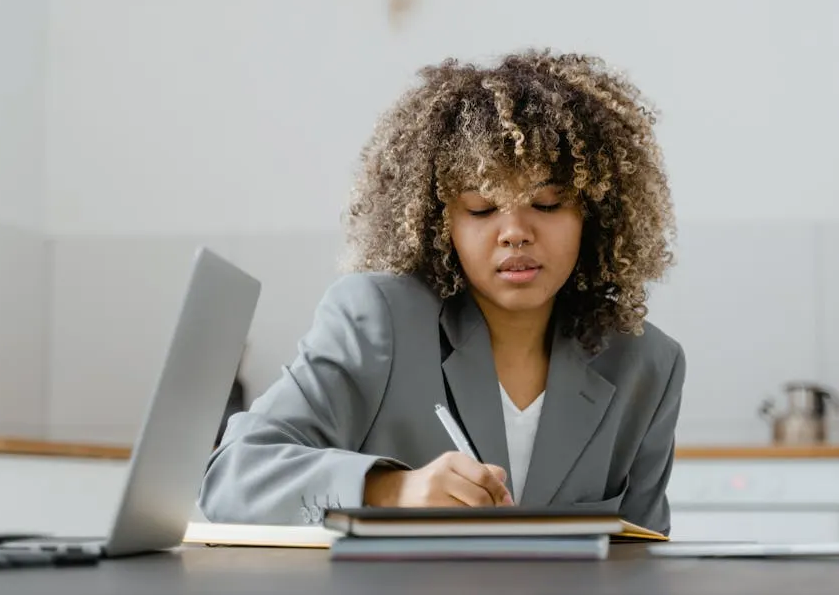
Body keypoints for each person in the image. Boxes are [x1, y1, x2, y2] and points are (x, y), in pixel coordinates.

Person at [198, 49, 685, 534]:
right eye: (480, 208)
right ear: (440, 222)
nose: (515, 231)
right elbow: (233, 475)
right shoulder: (378, 321)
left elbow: (643, 558)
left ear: (594, 214)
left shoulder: (647, 366)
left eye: (547, 202)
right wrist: (387, 491)